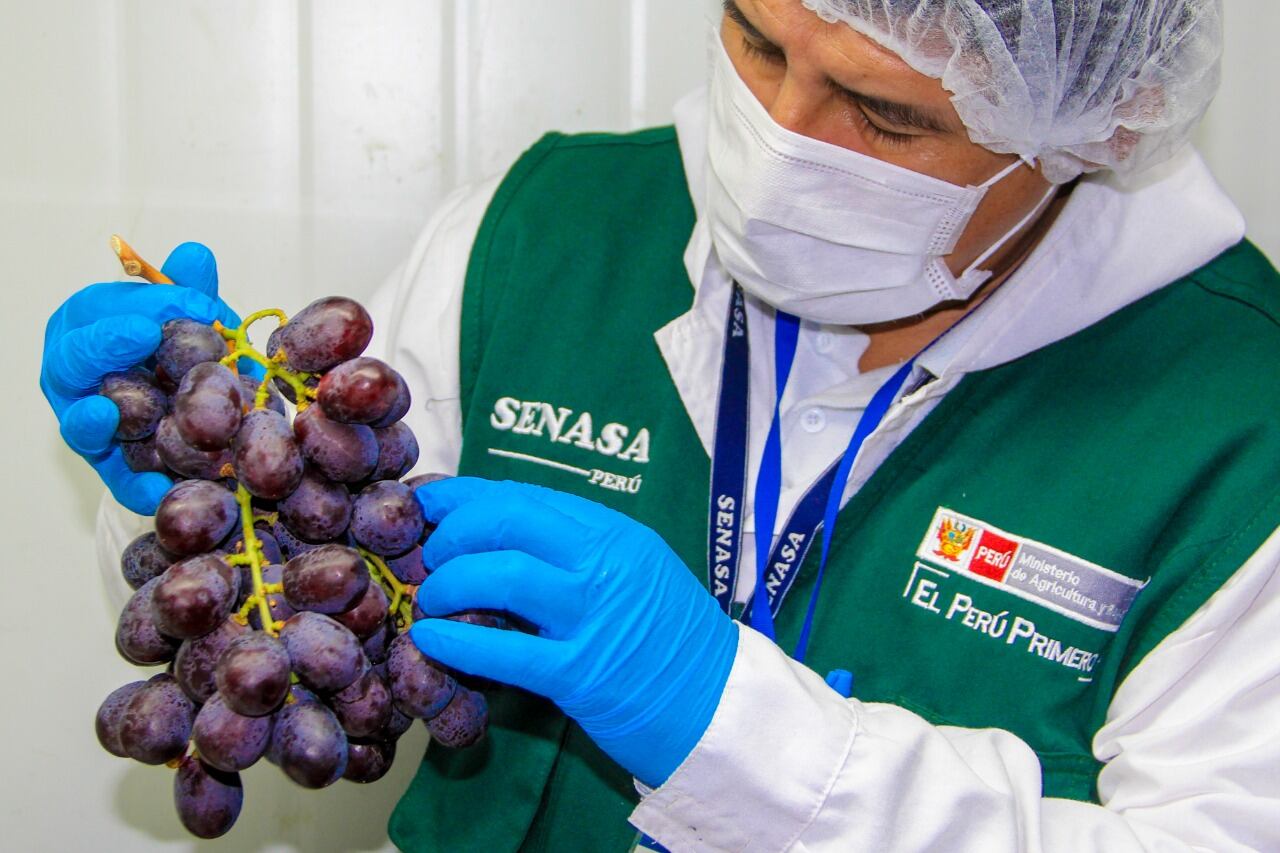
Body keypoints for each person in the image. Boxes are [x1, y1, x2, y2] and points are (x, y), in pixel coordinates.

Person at [41, 0, 1280, 850]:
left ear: (1103, 123)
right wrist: (184, 479)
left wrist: (740, 734)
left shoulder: (1237, 416)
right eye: (754, 39)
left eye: (886, 117)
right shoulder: (539, 228)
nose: (783, 141)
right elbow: (299, 622)